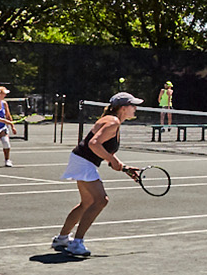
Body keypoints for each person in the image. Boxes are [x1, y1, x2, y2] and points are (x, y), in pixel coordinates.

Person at [53, 92, 144, 257]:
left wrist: (122, 166)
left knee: (87, 202)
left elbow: (103, 147)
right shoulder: (113, 122)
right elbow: (94, 144)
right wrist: (111, 159)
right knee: (101, 200)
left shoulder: (112, 120)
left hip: (81, 159)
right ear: (123, 108)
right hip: (83, 161)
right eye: (133, 105)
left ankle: (62, 238)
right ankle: (77, 243)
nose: (135, 108)